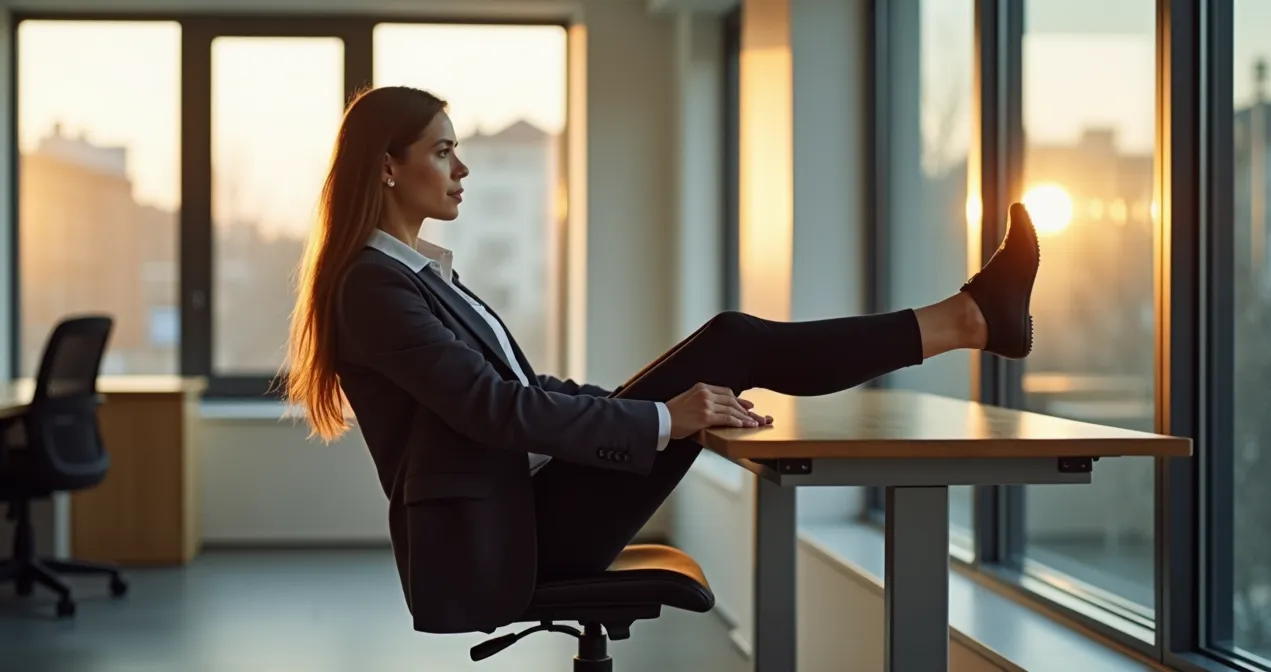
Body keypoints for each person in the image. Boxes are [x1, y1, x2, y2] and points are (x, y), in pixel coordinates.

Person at [284, 86, 1040, 635]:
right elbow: (493, 409)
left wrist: (649, 405)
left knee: (727, 347)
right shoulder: (375, 286)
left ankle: (972, 319)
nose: (463, 169)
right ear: (388, 167)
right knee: (734, 341)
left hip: (525, 507)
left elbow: (524, 387)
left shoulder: (416, 275)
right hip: (506, 538)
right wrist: (658, 417)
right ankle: (971, 319)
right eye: (444, 151)